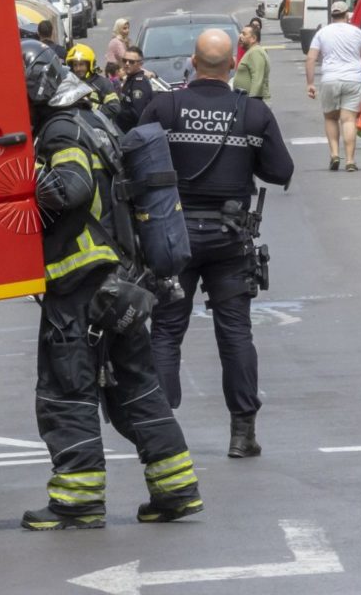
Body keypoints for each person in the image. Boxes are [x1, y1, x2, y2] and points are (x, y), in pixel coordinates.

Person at [21, 44, 203, 531]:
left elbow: (71, 188)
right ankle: (176, 490)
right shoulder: (96, 119)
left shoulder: (60, 130)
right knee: (136, 385)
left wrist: (22, 181)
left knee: (67, 388)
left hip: (79, 282)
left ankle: (77, 500)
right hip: (121, 279)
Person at [139, 29, 294, 458]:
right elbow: (280, 171)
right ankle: (242, 434)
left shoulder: (164, 106)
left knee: (167, 332)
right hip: (230, 238)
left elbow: (131, 160)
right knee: (236, 334)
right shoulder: (253, 113)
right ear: (231, 66)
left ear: (191, 62)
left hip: (173, 237)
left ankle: (162, 434)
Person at [305, 1, 361, 171]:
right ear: (347, 15)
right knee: (349, 119)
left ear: (332, 15)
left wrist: (310, 84)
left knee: (330, 118)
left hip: (330, 79)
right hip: (354, 79)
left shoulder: (322, 33)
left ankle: (334, 155)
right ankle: (350, 160)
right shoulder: (358, 33)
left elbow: (311, 59)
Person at [68, 43, 122, 122]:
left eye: (81, 64)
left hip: (96, 128)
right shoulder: (68, 83)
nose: (78, 68)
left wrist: (91, 106)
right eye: (75, 65)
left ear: (90, 65)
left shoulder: (103, 83)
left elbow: (114, 108)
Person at [117, 45, 153, 131]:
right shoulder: (130, 79)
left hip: (134, 131)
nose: (127, 64)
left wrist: (117, 111)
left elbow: (138, 113)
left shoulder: (139, 82)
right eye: (124, 60)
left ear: (140, 64)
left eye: (131, 62)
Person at [234, 24, 270, 100]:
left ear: (253, 38)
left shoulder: (255, 52)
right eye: (241, 33)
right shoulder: (251, 51)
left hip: (255, 104)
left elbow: (257, 80)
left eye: (244, 34)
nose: (240, 36)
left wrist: (252, 102)